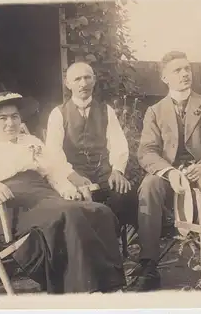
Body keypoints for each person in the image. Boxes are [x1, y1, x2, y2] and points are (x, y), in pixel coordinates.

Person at [0, 91, 126, 294]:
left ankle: (110, 285)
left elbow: (53, 173)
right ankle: (84, 289)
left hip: (45, 196)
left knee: (100, 211)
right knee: (70, 214)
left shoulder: (31, 141)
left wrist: (68, 189)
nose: (10, 123)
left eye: (15, 116)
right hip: (12, 207)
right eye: (2, 118)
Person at [131, 50, 201, 289]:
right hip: (170, 175)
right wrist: (169, 172)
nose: (185, 73)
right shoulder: (155, 112)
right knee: (149, 185)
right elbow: (146, 151)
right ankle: (148, 262)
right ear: (165, 78)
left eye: (187, 68)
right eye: (177, 70)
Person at [45, 62, 151, 287]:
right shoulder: (58, 114)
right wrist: (71, 176)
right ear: (68, 84)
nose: (83, 83)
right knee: (82, 207)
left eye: (87, 78)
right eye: (77, 79)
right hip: (74, 175)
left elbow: (118, 144)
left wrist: (117, 170)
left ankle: (135, 261)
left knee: (125, 196)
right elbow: (52, 152)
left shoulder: (106, 111)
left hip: (104, 172)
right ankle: (93, 266)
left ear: (94, 80)